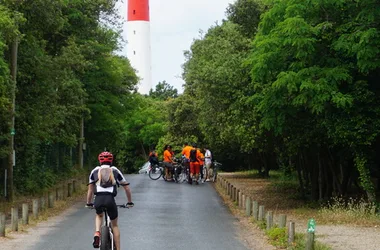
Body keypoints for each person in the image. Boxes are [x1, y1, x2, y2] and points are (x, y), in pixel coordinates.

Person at [86, 151, 134, 250]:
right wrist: (129, 202)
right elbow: (127, 188)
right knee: (115, 225)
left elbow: (90, 189)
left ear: (100, 161)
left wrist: (89, 203)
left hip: (98, 199)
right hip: (110, 200)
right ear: (111, 160)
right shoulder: (114, 170)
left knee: (99, 215)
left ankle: (97, 233)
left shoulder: (95, 171)